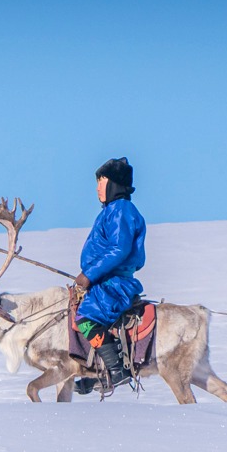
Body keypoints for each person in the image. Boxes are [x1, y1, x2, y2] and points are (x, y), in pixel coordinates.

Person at [71, 157, 145, 395]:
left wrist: (88, 274)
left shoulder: (121, 210)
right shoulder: (112, 211)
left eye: (101, 182)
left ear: (113, 184)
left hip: (114, 284)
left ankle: (115, 371)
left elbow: (119, 249)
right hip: (104, 282)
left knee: (86, 319)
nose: (97, 188)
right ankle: (94, 369)